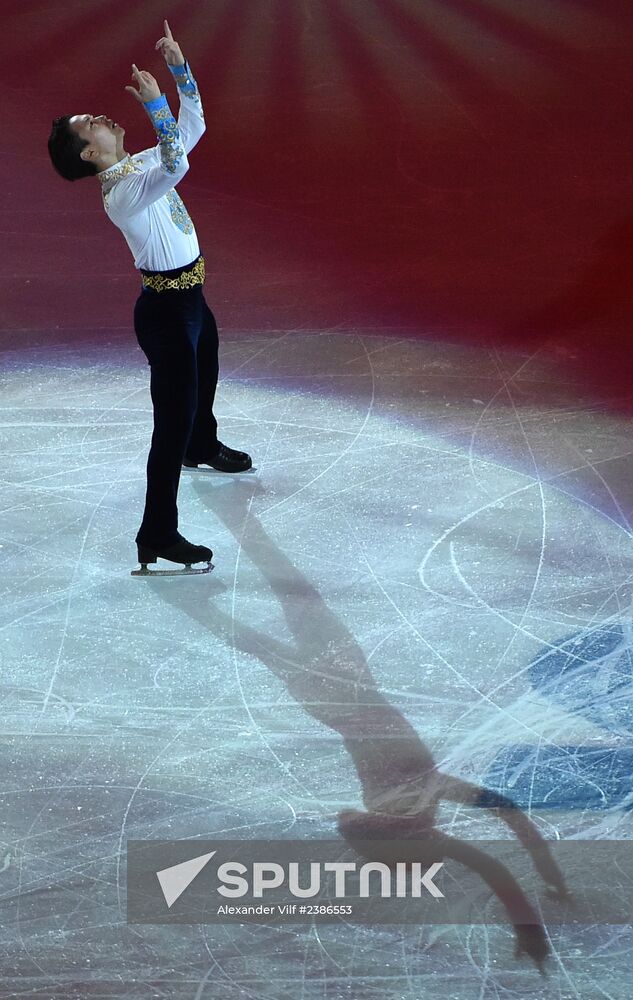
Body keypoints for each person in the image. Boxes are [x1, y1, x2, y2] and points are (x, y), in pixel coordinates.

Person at [47, 21, 252, 573]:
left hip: (190, 297)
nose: (101, 116)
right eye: (89, 124)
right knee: (171, 419)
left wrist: (180, 69)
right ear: (89, 153)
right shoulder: (121, 195)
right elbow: (178, 160)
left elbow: (192, 129)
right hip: (165, 313)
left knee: (204, 369)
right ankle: (157, 532)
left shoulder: (138, 164)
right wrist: (157, 102)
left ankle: (202, 445)